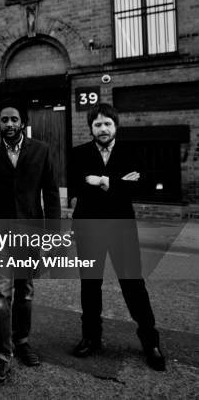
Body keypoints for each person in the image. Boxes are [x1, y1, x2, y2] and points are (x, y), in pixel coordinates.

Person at [69, 102, 165, 371]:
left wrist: (101, 181)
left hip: (122, 230)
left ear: (116, 126)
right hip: (89, 229)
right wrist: (121, 182)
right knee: (90, 286)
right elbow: (76, 185)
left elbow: (144, 185)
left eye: (107, 123)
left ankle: (150, 342)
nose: (102, 128)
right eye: (97, 124)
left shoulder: (130, 153)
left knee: (133, 284)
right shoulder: (78, 154)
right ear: (90, 128)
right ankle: (91, 337)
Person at [0, 98, 60, 383]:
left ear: (23, 122)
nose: (9, 124)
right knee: (0, 297)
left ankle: (22, 342)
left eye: (14, 119)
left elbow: (50, 193)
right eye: (4, 120)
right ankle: (1, 356)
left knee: (25, 293)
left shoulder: (41, 151)